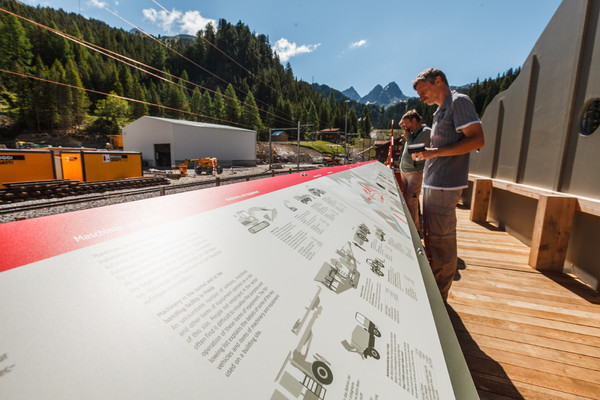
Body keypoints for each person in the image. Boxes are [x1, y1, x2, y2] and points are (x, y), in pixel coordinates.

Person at [411, 68, 485, 302]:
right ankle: (433, 291)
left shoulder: (458, 102)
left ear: (439, 80)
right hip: (433, 183)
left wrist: (435, 152)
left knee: (442, 243)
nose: (421, 98)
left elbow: (477, 139)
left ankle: (439, 300)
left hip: (445, 185)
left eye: (424, 91)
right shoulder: (439, 111)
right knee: (432, 239)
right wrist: (428, 155)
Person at [399, 109, 431, 234]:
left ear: (414, 120)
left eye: (406, 123)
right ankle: (410, 227)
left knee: (411, 201)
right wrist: (405, 128)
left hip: (414, 171)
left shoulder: (425, 132)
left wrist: (407, 136)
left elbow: (414, 148)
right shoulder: (412, 133)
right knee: (408, 201)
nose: (404, 126)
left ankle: (415, 232)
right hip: (405, 171)